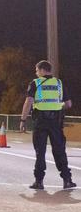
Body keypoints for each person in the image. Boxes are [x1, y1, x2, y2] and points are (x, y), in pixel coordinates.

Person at [19, 60, 76, 190]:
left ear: (43, 70)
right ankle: (67, 180)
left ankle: (39, 182)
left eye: (37, 70)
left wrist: (23, 120)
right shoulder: (59, 83)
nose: (36, 72)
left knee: (40, 152)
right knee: (60, 151)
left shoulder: (35, 83)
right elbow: (68, 104)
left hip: (40, 121)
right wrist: (57, 106)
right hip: (56, 122)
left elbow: (28, 102)